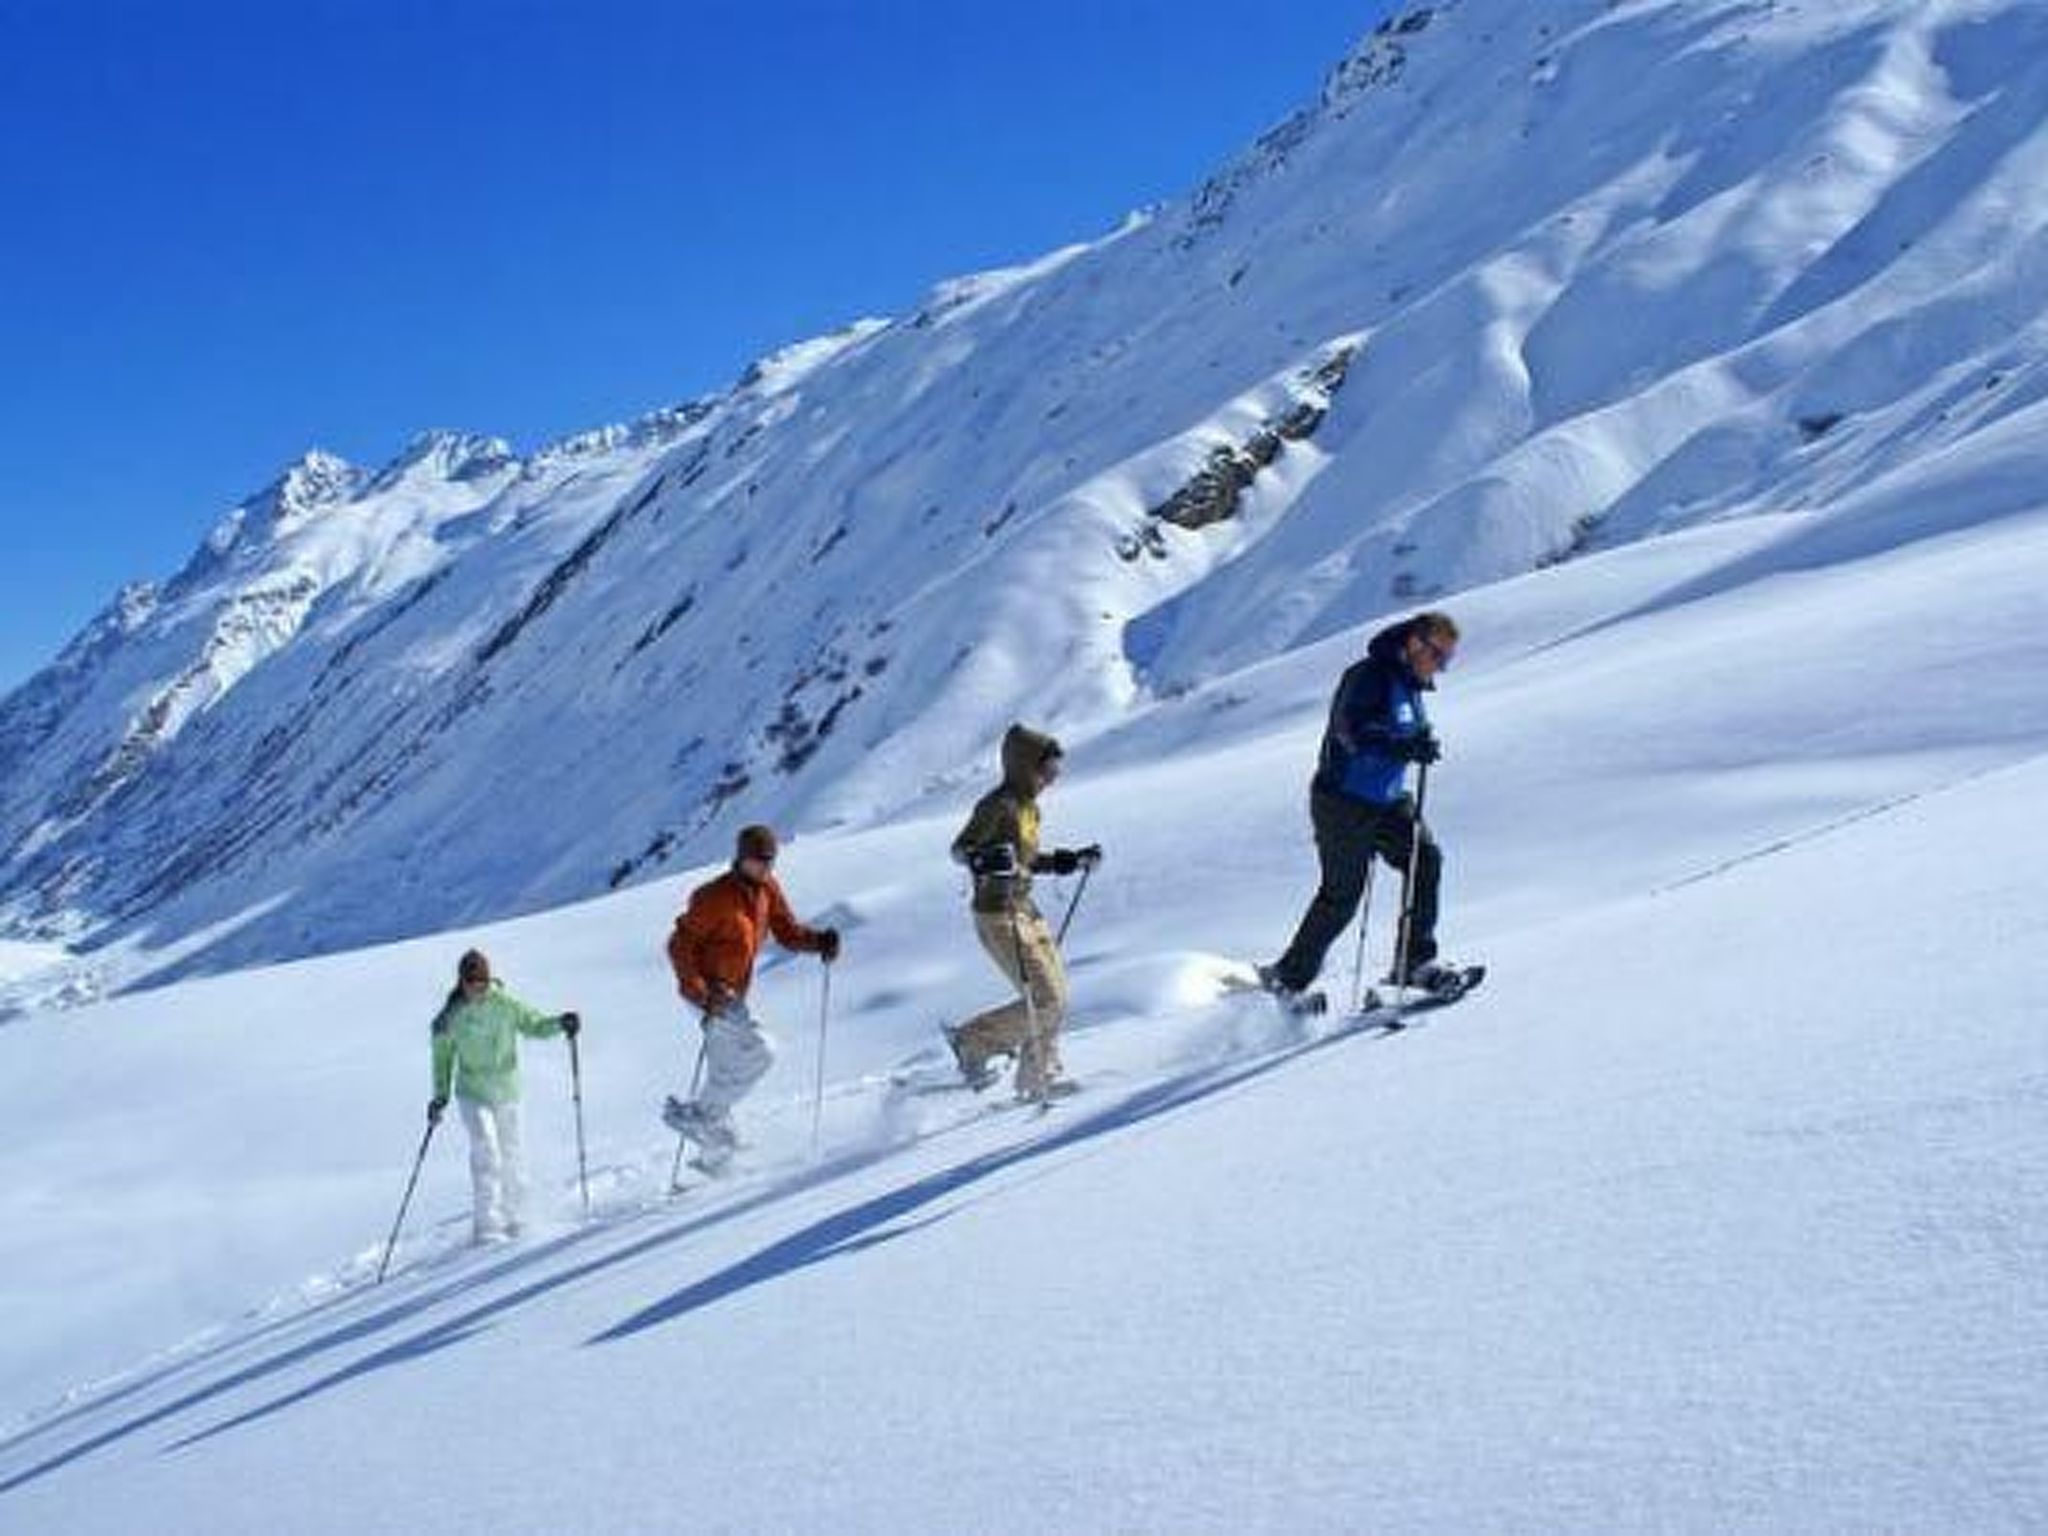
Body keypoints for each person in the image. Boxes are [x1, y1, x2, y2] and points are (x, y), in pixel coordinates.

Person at [1261, 610, 1462, 1001]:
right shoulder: (1369, 675)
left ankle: (1413, 962)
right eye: (1439, 657)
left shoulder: (1410, 686)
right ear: (1416, 644)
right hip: (1343, 801)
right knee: (1342, 896)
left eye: (1447, 660)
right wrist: (1401, 745)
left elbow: (1402, 731)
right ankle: (1287, 979)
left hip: (1387, 800)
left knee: (1425, 861)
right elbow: (1350, 730)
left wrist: (1420, 743)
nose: (1442, 668)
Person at [662, 824, 840, 1171]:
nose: (764, 867)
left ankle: (716, 1157)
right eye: (757, 860)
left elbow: (786, 931)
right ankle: (698, 1116)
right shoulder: (713, 896)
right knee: (762, 1051)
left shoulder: (766, 891)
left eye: (769, 861)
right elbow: (679, 944)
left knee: (727, 1066)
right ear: (741, 858)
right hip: (708, 994)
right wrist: (699, 990)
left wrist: (819, 941)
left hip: (733, 994)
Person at [945, 723, 1101, 1100]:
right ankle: (972, 1042)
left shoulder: (1030, 810)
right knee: (1046, 998)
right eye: (1047, 770)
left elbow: (1026, 861)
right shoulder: (997, 805)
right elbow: (960, 850)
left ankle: (1038, 1077)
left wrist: (1069, 861)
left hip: (1026, 909)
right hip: (997, 914)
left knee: (1057, 996)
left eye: (1055, 772)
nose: (1052, 779)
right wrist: (985, 859)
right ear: (1024, 766)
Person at [428, 948, 581, 1243]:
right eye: (472, 984)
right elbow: (442, 1061)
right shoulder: (449, 1019)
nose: (479, 989)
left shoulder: (505, 1004)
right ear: (462, 983)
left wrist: (561, 1023)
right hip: (473, 1093)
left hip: (507, 1091)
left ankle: (518, 1217)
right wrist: (439, 1096)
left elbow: (534, 1025)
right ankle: (487, 1227)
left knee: (512, 1153)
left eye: (483, 983)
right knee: (488, 1153)